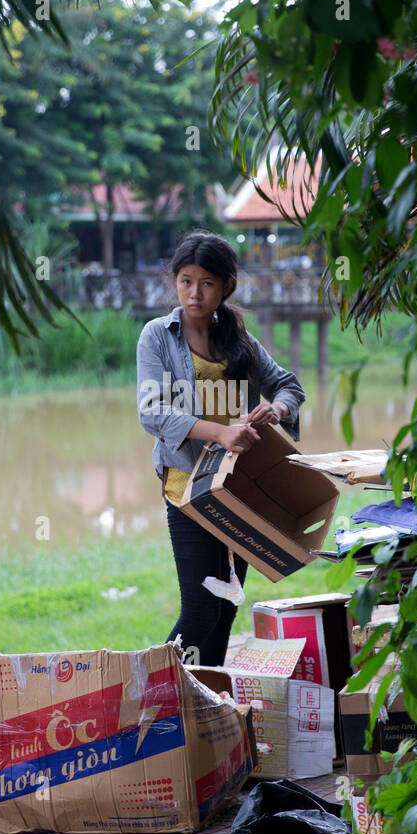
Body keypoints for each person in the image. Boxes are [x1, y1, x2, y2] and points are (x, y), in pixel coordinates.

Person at [136, 230, 306, 666]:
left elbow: (287, 384)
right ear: (175, 282)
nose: (195, 293)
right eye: (186, 281)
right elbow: (151, 410)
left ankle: (206, 709)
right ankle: (153, 698)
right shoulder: (157, 336)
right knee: (200, 609)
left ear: (226, 286)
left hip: (239, 491)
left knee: (226, 609)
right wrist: (220, 432)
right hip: (189, 491)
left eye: (207, 283)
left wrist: (279, 410)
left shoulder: (240, 340)